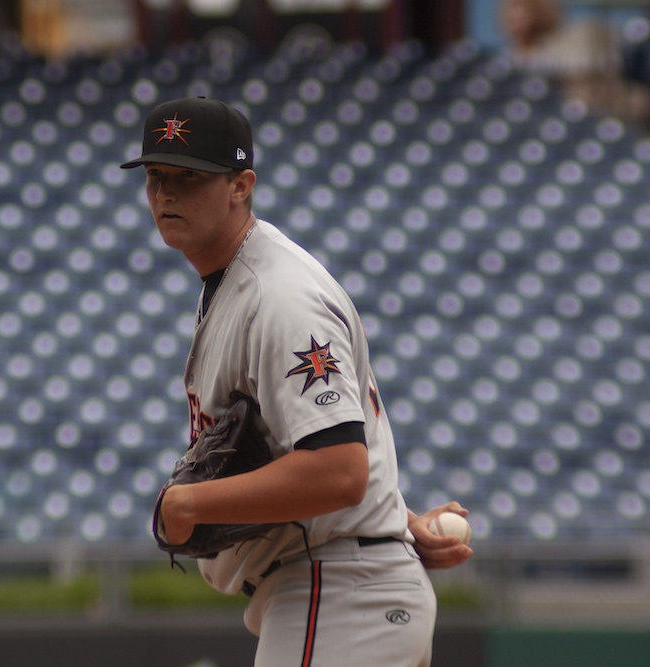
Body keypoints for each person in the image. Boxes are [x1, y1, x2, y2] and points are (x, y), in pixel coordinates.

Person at [121, 97, 472, 666]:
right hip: (342, 588)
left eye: (190, 177)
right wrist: (398, 519)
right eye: (156, 176)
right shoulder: (239, 280)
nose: (166, 193)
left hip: (339, 596)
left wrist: (187, 503)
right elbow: (316, 450)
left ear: (241, 185)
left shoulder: (279, 297)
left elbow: (339, 471)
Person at [500, 0, 650, 129]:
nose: (515, 15)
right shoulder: (504, 61)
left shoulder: (576, 39)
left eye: (521, 6)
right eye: (512, 7)